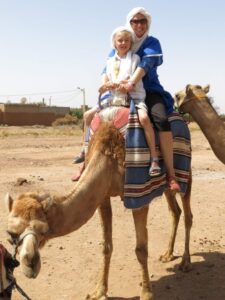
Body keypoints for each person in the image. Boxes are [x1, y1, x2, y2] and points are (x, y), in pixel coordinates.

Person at [72, 26, 161, 181]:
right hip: (112, 98)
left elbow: (133, 80)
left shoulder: (135, 59)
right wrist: (106, 85)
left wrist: (124, 85)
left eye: (126, 40)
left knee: (145, 119)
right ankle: (85, 151)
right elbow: (105, 79)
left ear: (130, 43)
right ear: (114, 43)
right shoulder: (110, 61)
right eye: (120, 40)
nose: (123, 43)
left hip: (133, 97)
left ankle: (154, 158)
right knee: (87, 115)